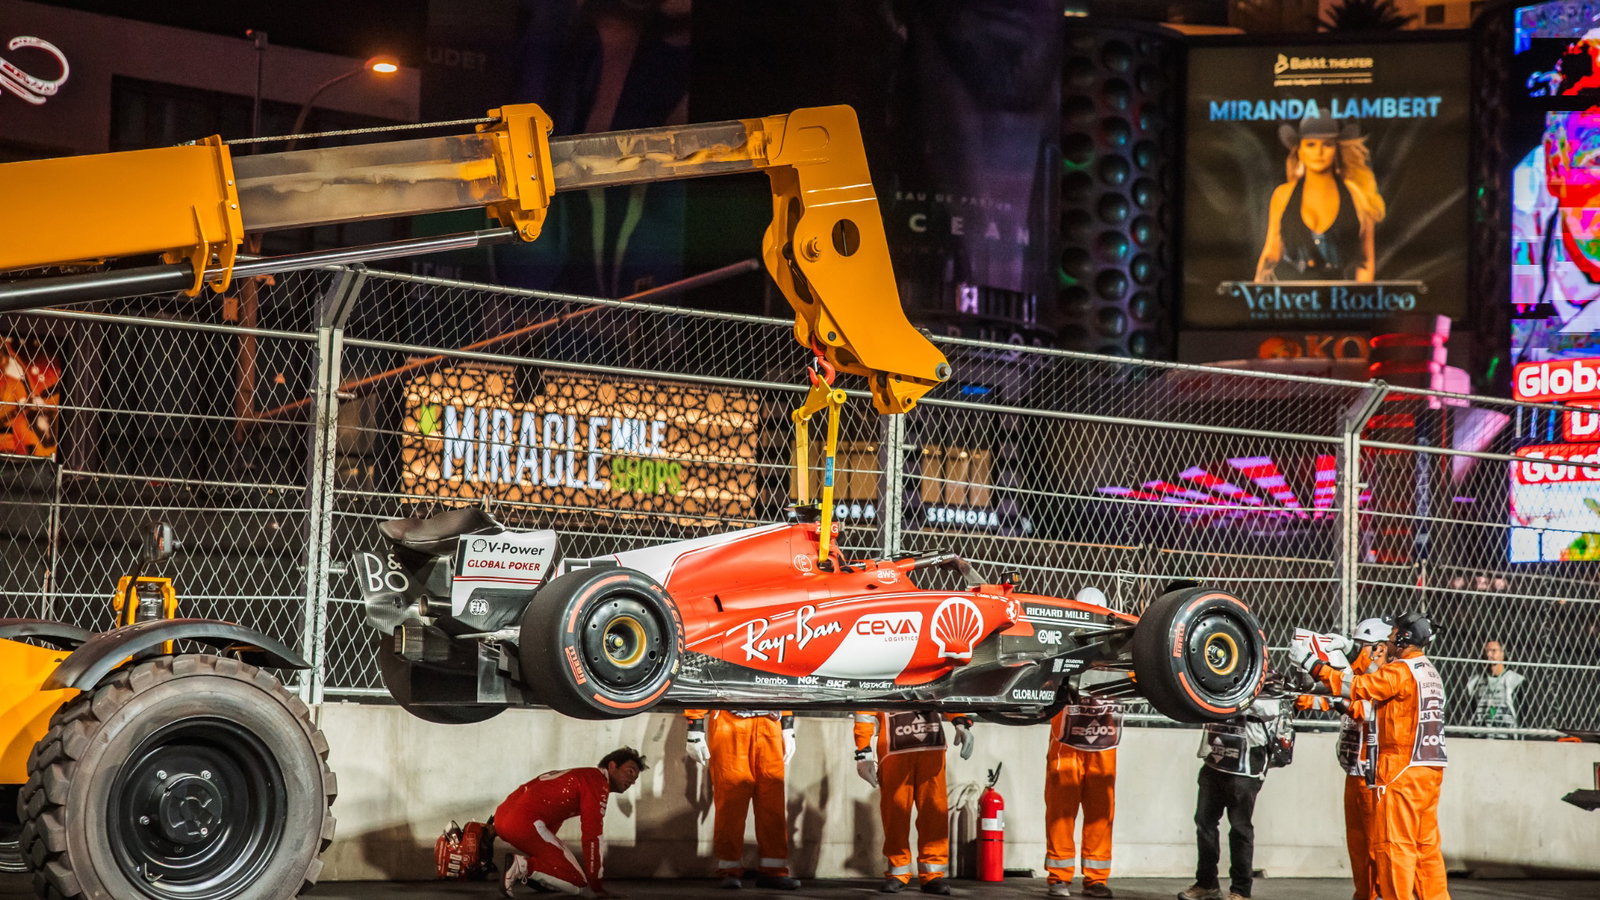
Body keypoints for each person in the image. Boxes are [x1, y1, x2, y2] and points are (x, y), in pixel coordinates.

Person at [1295, 612, 1451, 900]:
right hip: (1428, 770)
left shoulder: (1400, 671)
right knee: (1425, 849)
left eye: (1392, 636)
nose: (1388, 641)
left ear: (1404, 638)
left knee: (1394, 847)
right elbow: (1369, 677)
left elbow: (1357, 688)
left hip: (1400, 772)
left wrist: (1313, 665)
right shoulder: (1427, 670)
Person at [1296, 617, 1393, 900]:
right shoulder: (1362, 678)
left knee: (1376, 845)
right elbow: (1338, 699)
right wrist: (1300, 699)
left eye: (1364, 647)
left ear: (1379, 648)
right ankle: (1364, 894)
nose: (1359, 653)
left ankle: (1378, 894)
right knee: (1358, 845)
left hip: (1373, 777)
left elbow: (1365, 709)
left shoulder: (1387, 678)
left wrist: (1337, 699)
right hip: (1354, 772)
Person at [495, 746, 645, 898]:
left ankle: (542, 876)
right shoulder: (597, 782)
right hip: (524, 823)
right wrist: (596, 885)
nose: (632, 781)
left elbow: (548, 811)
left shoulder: (582, 775)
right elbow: (592, 835)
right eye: (630, 771)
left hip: (502, 819)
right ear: (612, 766)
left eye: (635, 778)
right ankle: (524, 867)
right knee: (577, 882)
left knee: (558, 864)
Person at [1254, 113, 1387, 283]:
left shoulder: (1358, 195)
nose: (1319, 152)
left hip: (1341, 299)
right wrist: (1256, 293)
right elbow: (1272, 252)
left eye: (1327, 144)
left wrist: (1361, 300)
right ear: (1300, 151)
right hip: (1292, 297)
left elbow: (1365, 261)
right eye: (1311, 144)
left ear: (1336, 150)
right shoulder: (1283, 195)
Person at [854, 710, 976, 894]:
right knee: (895, 814)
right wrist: (863, 753)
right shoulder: (882, 679)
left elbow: (947, 692)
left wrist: (961, 723)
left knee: (934, 812)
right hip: (895, 751)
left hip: (930, 750)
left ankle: (933, 874)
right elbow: (865, 710)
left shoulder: (930, 679)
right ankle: (898, 871)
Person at [1177, 696, 1284, 900]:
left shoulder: (1262, 675)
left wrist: (1235, 697)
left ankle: (1240, 891)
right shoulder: (1212, 675)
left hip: (1245, 768)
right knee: (1204, 822)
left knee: (1240, 828)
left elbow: (1271, 709)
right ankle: (1206, 883)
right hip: (1215, 759)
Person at [685, 709, 801, 890]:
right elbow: (706, 680)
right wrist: (695, 727)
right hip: (730, 723)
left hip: (769, 724)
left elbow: (783, 683)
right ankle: (729, 869)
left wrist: (787, 724)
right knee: (731, 803)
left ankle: (774, 870)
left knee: (772, 805)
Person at [1044, 695, 1123, 898]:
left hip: (1104, 741)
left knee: (1101, 812)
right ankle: (1059, 875)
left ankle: (1096, 879)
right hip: (1066, 741)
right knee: (1060, 811)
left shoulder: (1120, 664)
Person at [1465, 640, 1528, 736]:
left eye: (1494, 650)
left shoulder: (1515, 680)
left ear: (1503, 654)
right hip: (1481, 737)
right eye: (1487, 651)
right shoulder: (1475, 682)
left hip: (1507, 736)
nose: (1489, 654)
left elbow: (1522, 713)